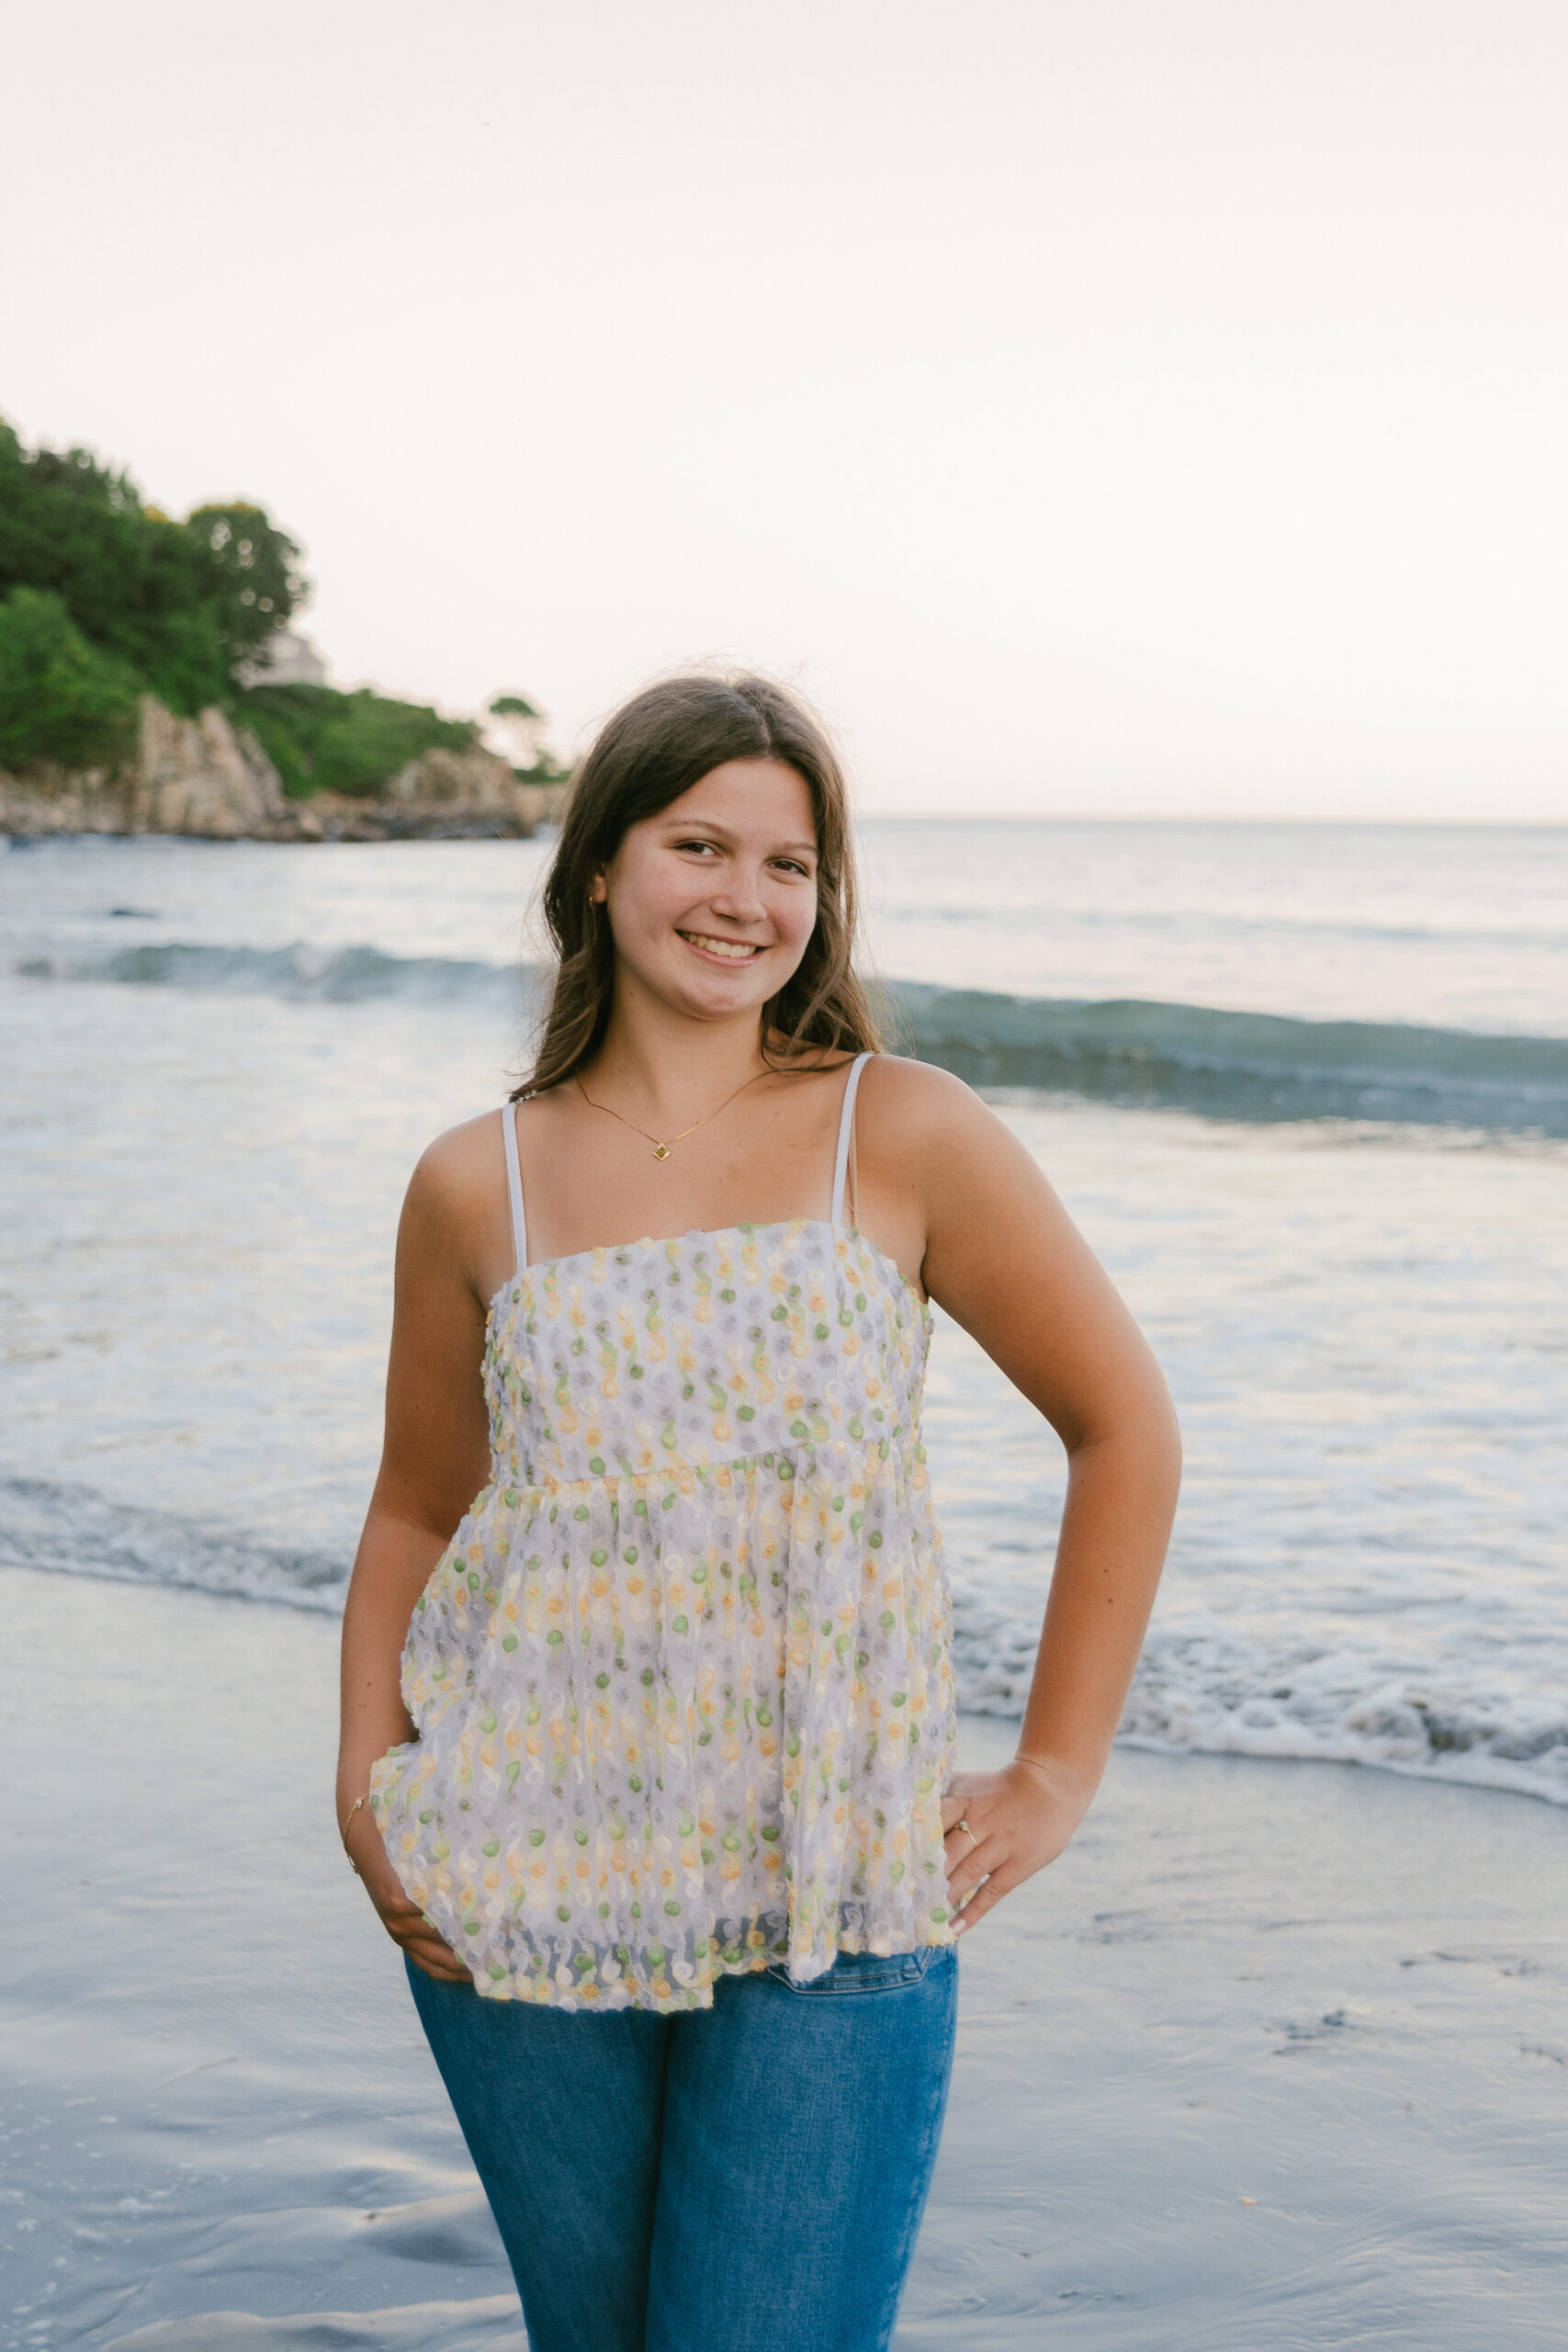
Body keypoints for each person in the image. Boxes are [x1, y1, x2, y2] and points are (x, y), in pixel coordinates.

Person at [335, 673, 1180, 2352]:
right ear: (599, 866)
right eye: (699, 844)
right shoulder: (472, 1178)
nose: (745, 898)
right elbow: (420, 1511)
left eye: (790, 866)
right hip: (522, 1875)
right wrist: (367, 1788)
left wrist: (1057, 1771)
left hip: (834, 1890)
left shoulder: (901, 1125)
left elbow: (1126, 1430)